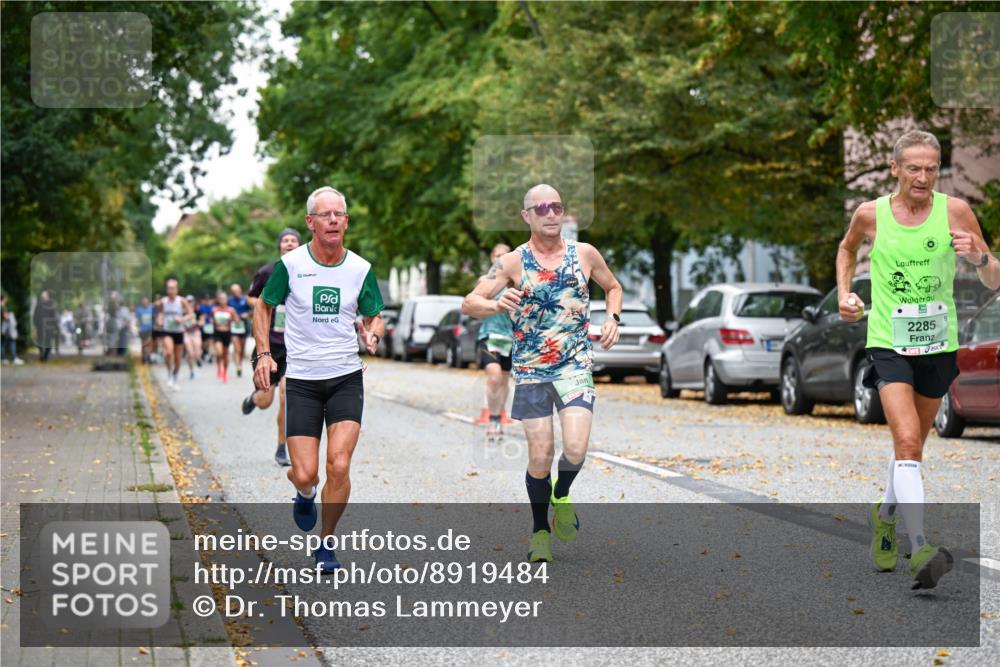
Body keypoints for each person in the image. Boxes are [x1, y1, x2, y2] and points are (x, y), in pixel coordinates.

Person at [838, 130, 1000, 590]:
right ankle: (922, 546)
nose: (923, 177)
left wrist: (981, 255)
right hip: (888, 342)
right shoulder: (871, 214)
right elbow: (847, 249)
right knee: (907, 441)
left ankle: (884, 516)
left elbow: (994, 278)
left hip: (937, 345)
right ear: (895, 169)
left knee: (912, 450)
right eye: (914, 168)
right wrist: (846, 294)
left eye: (931, 168)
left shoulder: (956, 212)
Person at [462, 184, 622, 563]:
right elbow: (470, 302)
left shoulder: (584, 254)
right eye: (542, 208)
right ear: (527, 216)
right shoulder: (512, 263)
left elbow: (613, 287)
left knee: (577, 447)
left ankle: (562, 493)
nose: (551, 213)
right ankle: (539, 532)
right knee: (540, 456)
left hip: (575, 365)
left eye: (557, 207)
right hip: (532, 371)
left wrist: (612, 317)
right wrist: (496, 303)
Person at [253, 186, 383, 573]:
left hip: (345, 377)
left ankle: (326, 544)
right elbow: (264, 306)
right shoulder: (291, 265)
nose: (332, 221)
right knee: (306, 473)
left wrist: (372, 332)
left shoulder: (360, 268)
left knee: (339, 464)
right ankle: (304, 492)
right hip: (303, 382)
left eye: (339, 215)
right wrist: (263, 353)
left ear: (345, 221)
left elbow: (375, 313)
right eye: (325, 215)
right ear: (311, 222)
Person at [242, 227, 302, 467]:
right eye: (285, 240)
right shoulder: (268, 271)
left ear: (299, 245)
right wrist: (270, 304)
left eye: (293, 240)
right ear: (280, 246)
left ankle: (281, 448)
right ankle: (253, 398)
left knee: (287, 394)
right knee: (266, 400)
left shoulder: (306, 272)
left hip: (294, 347)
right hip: (268, 345)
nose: (289, 243)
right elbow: (250, 298)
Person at [475, 243, 516, 442]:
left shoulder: (516, 283)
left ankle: (499, 417)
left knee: (505, 380)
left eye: (504, 255)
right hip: (489, 336)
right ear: (492, 258)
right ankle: (492, 419)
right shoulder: (485, 281)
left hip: (509, 337)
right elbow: (475, 306)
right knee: (494, 377)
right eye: (497, 255)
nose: (500, 258)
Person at [156, 279, 195, 389]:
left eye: (173, 288)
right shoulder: (163, 301)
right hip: (167, 330)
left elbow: (191, 314)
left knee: (178, 358)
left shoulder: (182, 301)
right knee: (168, 352)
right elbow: (160, 314)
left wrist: (182, 319)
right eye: (168, 288)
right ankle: (169, 374)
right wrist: (160, 320)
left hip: (178, 331)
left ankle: (174, 376)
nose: (170, 290)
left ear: (177, 289)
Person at [211, 291, 240, 383]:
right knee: (219, 352)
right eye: (221, 299)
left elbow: (237, 320)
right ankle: (219, 366)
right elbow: (212, 321)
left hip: (227, 333)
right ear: (218, 300)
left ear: (227, 299)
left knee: (225, 355)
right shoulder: (214, 310)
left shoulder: (231, 310)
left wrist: (232, 319)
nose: (222, 300)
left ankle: (225, 372)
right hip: (217, 333)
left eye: (224, 298)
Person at [228, 283, 251, 378]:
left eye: (236, 291)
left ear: (240, 290)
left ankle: (240, 363)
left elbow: (253, 310)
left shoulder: (246, 299)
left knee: (242, 348)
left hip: (244, 325)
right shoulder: (229, 300)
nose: (235, 293)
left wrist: (247, 314)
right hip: (234, 326)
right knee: (237, 348)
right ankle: (238, 366)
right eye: (233, 291)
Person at [33, 291, 59, 361]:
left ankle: (46, 356)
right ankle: (41, 354)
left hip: (49, 327)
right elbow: (35, 316)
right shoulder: (39, 305)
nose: (42, 297)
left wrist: (55, 327)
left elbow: (54, 316)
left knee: (49, 342)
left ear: (47, 296)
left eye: (44, 295)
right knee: (39, 341)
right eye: (42, 296)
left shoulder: (51, 305)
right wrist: (36, 325)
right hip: (40, 327)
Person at [182, 295, 202, 379]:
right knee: (190, 353)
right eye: (188, 301)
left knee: (197, 352)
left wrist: (197, 322)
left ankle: (198, 359)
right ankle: (191, 371)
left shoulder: (197, 311)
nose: (190, 303)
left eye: (191, 301)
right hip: (186, 333)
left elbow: (202, 321)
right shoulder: (182, 312)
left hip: (196, 332)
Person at [1, 293, 24, 365]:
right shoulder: (2, 306)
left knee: (3, 343)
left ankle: (3, 358)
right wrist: (10, 315)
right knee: (9, 342)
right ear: (4, 298)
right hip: (4, 329)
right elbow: (5, 317)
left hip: (4, 329)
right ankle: (10, 358)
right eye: (6, 298)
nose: (7, 300)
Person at [135, 296, 155, 364]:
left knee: (148, 343)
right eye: (143, 301)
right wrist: (138, 328)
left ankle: (148, 357)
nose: (145, 302)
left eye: (146, 301)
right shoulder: (139, 310)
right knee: (144, 344)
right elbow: (138, 320)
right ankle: (144, 357)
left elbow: (154, 317)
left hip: (150, 329)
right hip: (142, 329)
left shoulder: (151, 308)